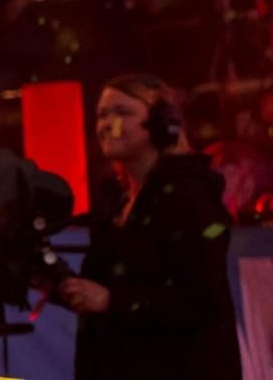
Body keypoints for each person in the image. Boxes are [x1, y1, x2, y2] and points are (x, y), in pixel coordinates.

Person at [57, 74, 241, 380]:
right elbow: (112, 291)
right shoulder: (117, 202)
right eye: (102, 115)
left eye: (122, 112)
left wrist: (111, 300)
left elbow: (200, 300)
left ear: (162, 123)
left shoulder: (188, 195)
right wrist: (57, 284)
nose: (108, 125)